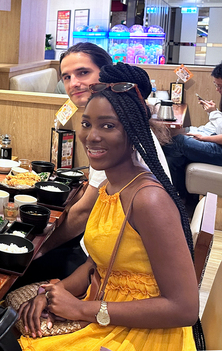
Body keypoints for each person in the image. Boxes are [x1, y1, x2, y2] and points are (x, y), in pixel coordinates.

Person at [18, 63, 201, 351]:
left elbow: (185, 309)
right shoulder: (109, 188)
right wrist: (54, 292)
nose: (92, 136)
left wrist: (80, 310)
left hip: (145, 335)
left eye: (108, 126)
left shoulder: (148, 200)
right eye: (87, 123)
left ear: (133, 132)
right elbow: (97, 266)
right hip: (106, 311)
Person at [16, 44, 171, 287]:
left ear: (106, 76)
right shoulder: (125, 125)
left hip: (118, 267)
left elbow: (84, 212)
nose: (73, 83)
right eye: (66, 77)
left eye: (83, 73)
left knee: (14, 272)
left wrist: (37, 250)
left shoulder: (121, 140)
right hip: (103, 251)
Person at [164, 62, 222, 214]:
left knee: (177, 142)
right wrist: (197, 132)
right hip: (216, 140)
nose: (218, 90)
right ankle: (182, 199)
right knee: (177, 142)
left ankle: (178, 198)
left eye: (220, 86)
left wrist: (204, 136)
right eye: (216, 85)